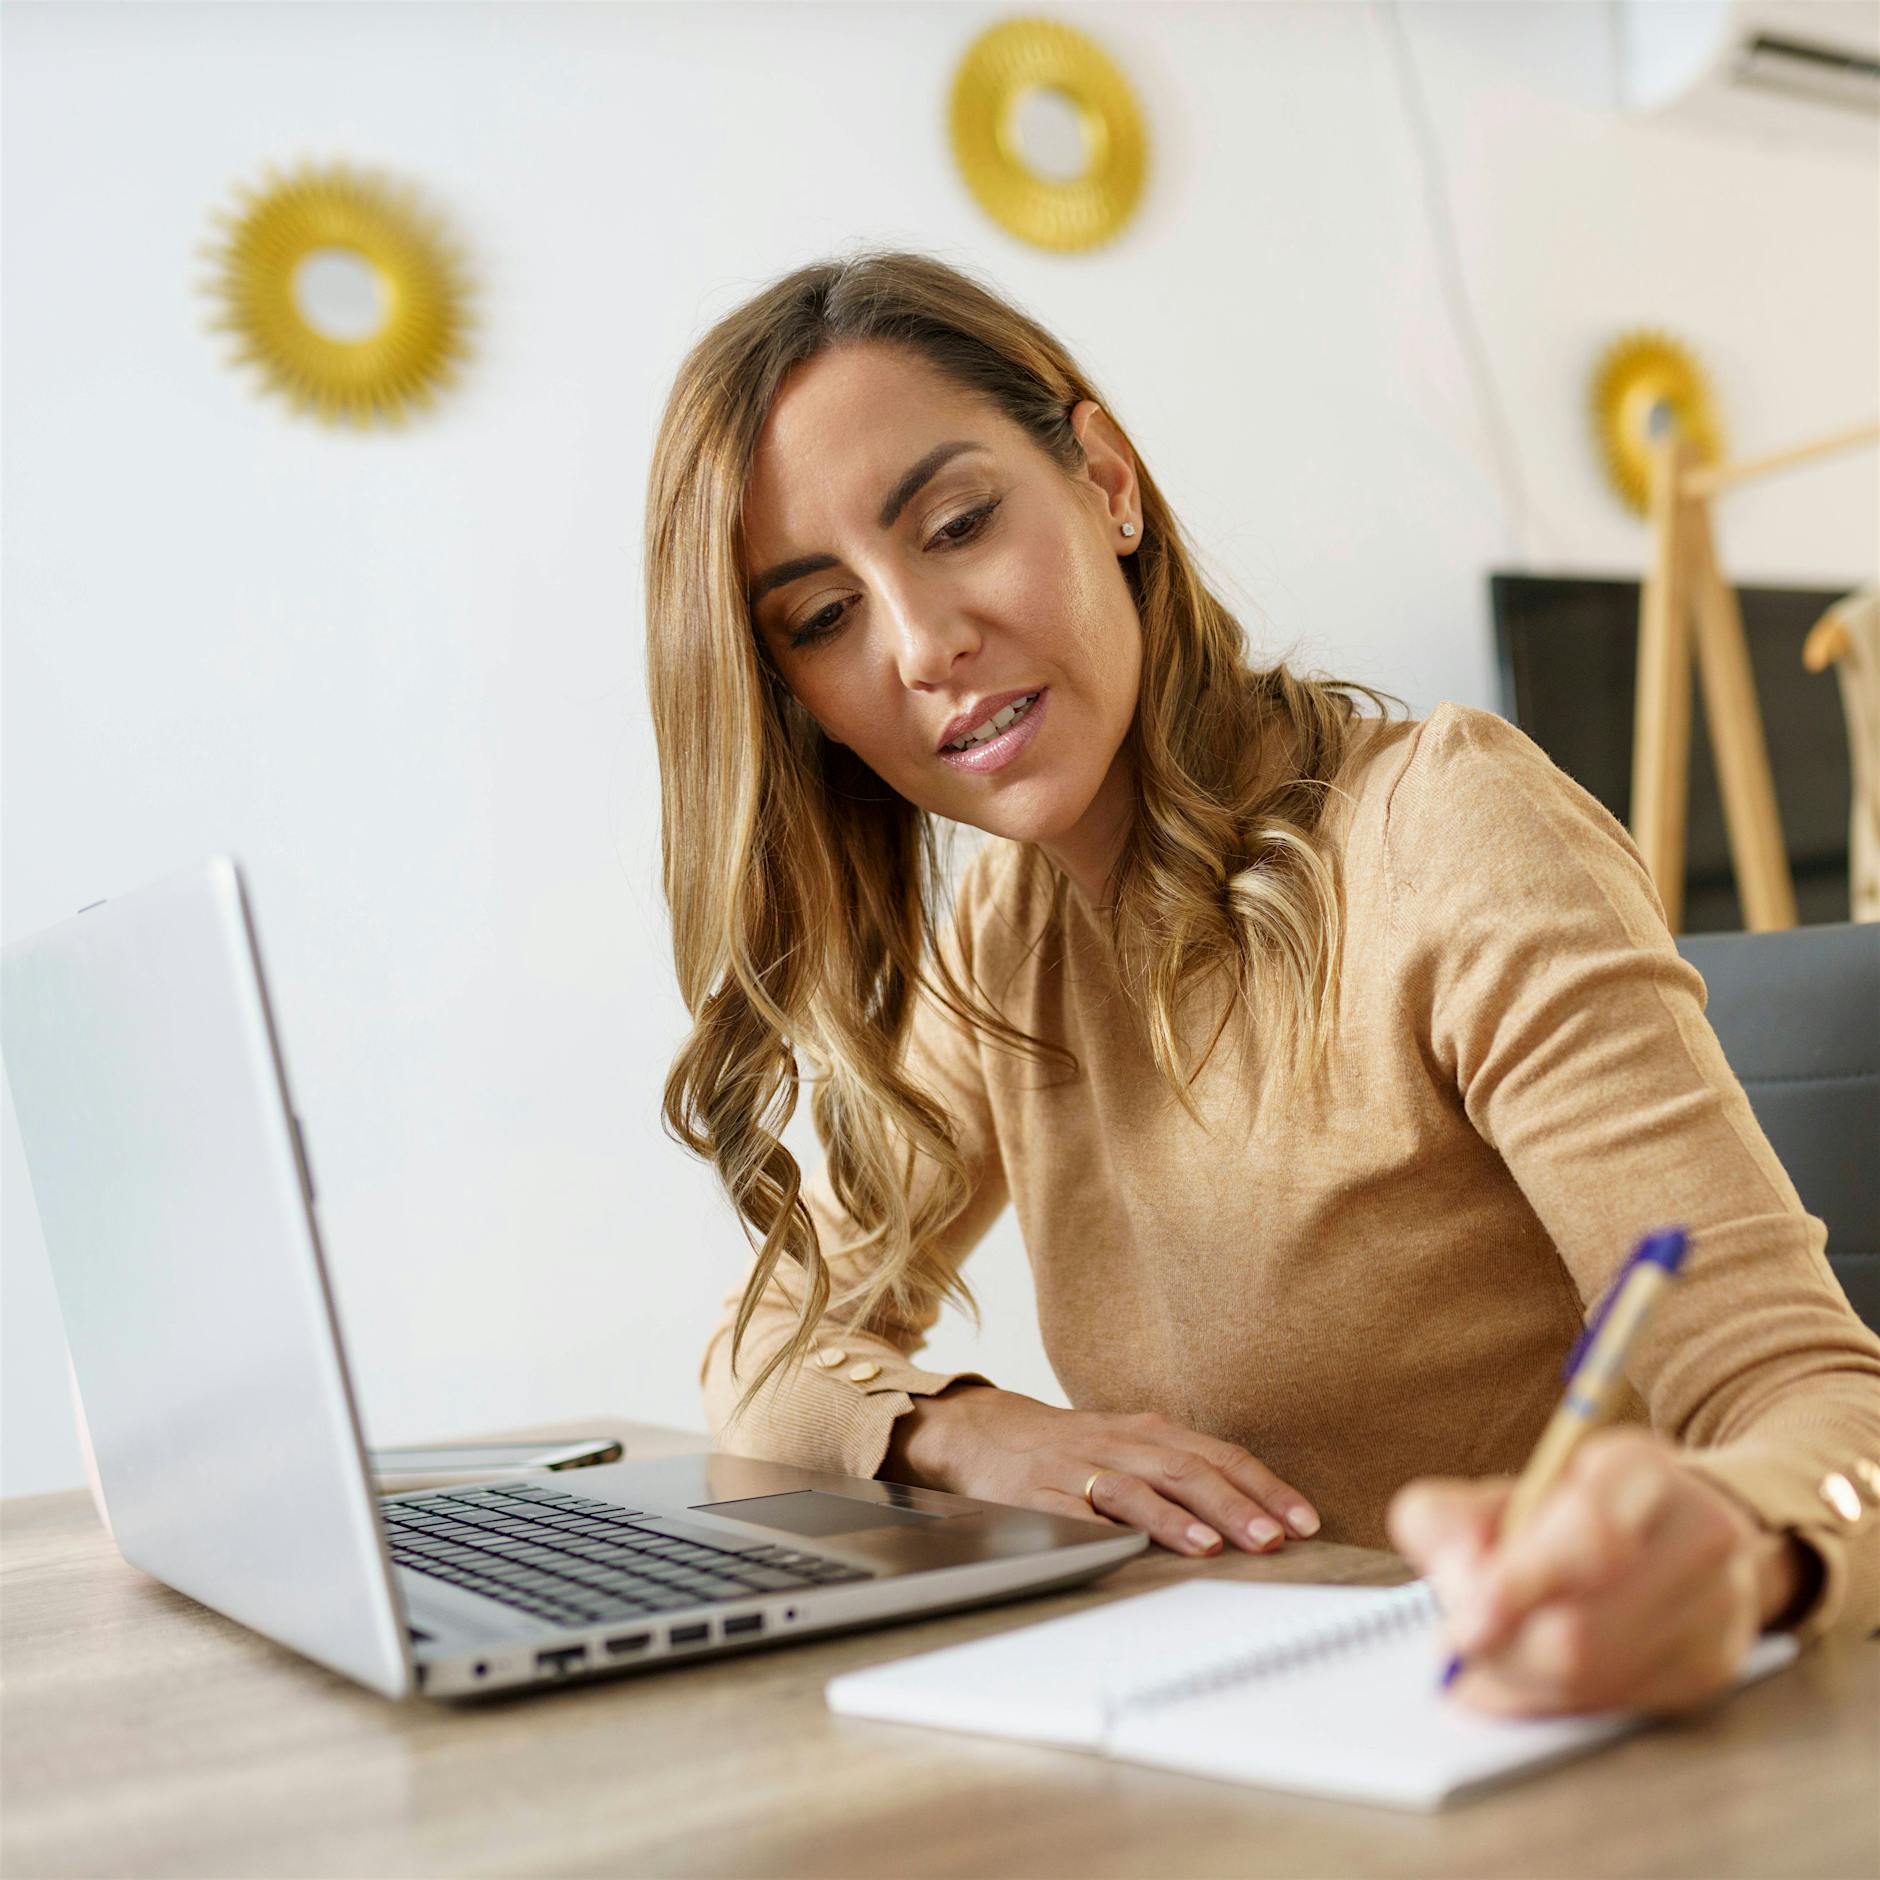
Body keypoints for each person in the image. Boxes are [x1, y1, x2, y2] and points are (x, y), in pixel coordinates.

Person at [641, 247, 1880, 1717]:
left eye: (958, 525)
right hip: (1246, 1731)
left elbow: (1821, 1407)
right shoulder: (1008, 938)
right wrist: (970, 1435)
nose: (922, 644)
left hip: (1550, 1731)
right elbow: (763, 1354)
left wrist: (1744, 1557)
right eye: (823, 620)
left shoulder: (1446, 827)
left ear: (1107, 482)